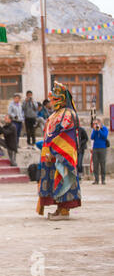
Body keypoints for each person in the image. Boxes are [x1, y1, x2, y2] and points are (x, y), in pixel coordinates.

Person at [36, 81, 81, 221]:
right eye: (51, 99)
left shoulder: (68, 113)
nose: (52, 102)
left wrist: (54, 151)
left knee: (63, 178)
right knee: (53, 180)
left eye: (55, 99)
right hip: (51, 153)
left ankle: (64, 209)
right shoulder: (54, 114)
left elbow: (65, 134)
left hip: (63, 153)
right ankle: (59, 208)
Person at [91, 118, 109, 185]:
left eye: (96, 123)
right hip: (95, 148)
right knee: (95, 164)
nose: (95, 125)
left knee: (102, 164)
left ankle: (103, 180)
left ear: (99, 123)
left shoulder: (104, 129)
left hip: (102, 148)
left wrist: (99, 130)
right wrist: (95, 130)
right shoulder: (94, 130)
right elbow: (92, 137)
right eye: (94, 123)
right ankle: (96, 180)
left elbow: (104, 136)